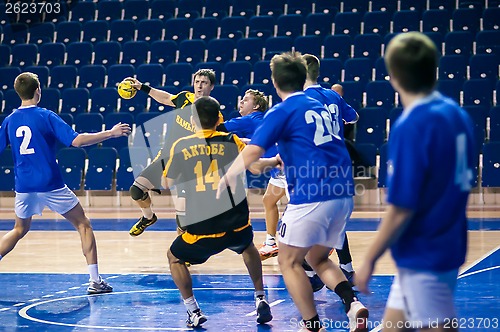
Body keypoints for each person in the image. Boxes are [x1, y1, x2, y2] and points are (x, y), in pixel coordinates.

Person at [217, 52, 368, 332]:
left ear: (275, 82)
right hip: (343, 192)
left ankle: (311, 325)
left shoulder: (283, 110)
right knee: (318, 258)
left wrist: (228, 176)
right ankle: (353, 304)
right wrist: (277, 159)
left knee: (288, 261)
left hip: (313, 193)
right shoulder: (324, 102)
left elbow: (252, 150)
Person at [356, 32, 475, 331]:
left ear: (393, 76)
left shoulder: (412, 125)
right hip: (449, 239)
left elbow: (401, 208)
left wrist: (369, 258)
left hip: (424, 250)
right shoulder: (456, 114)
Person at [0, 72, 131, 294]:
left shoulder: (9, 120)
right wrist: (111, 133)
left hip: (24, 186)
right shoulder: (45, 116)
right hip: (51, 184)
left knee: (19, 229)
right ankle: (95, 281)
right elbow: (77, 141)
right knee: (83, 224)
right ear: (38, 91)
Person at [164, 96, 276, 328]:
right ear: (218, 119)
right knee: (248, 246)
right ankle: (260, 297)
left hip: (201, 229)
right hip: (236, 225)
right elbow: (255, 166)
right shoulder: (231, 140)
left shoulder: (181, 145)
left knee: (174, 257)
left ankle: (193, 311)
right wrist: (275, 160)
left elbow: (167, 182)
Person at [126, 69, 221, 236]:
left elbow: (217, 142)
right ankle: (148, 217)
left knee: (183, 218)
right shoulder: (185, 98)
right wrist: (142, 87)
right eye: (197, 81)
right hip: (165, 158)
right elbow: (165, 97)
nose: (199, 85)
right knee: (136, 191)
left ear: (211, 87)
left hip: (189, 166)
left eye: (204, 82)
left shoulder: (213, 113)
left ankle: (182, 253)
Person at [303, 54, 359, 285]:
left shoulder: (300, 99)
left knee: (306, 223)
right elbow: (353, 116)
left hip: (314, 169)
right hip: (340, 167)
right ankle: (345, 267)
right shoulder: (332, 95)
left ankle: (310, 272)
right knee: (332, 222)